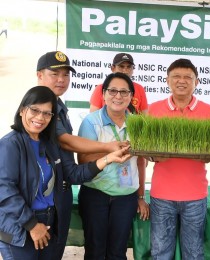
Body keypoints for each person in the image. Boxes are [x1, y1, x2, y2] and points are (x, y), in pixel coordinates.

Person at [0, 86, 131, 260]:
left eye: (47, 113)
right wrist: (32, 225)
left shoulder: (50, 144)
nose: (40, 117)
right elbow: (4, 190)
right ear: (23, 110)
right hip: (21, 227)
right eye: (35, 110)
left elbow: (73, 174)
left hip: (49, 222)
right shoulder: (11, 144)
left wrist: (108, 159)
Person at [36, 51, 128, 259]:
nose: (61, 80)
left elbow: (69, 161)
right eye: (55, 74)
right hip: (41, 200)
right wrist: (108, 148)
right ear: (39, 75)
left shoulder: (59, 107)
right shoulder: (37, 106)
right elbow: (65, 140)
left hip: (61, 193)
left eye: (66, 75)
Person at [148, 58, 210, 259]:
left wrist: (207, 154)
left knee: (194, 252)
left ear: (197, 82)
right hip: (162, 194)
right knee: (160, 251)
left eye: (188, 77)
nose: (182, 81)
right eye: (176, 76)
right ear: (167, 80)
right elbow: (145, 152)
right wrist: (154, 155)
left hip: (195, 195)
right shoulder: (154, 110)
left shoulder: (208, 111)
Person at [77, 72, 148, 259]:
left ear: (132, 97)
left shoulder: (138, 124)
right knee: (95, 250)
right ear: (104, 94)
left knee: (118, 251)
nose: (118, 96)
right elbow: (83, 159)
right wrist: (113, 152)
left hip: (126, 196)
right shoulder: (91, 122)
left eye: (124, 92)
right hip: (95, 194)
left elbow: (141, 162)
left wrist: (140, 195)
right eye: (113, 91)